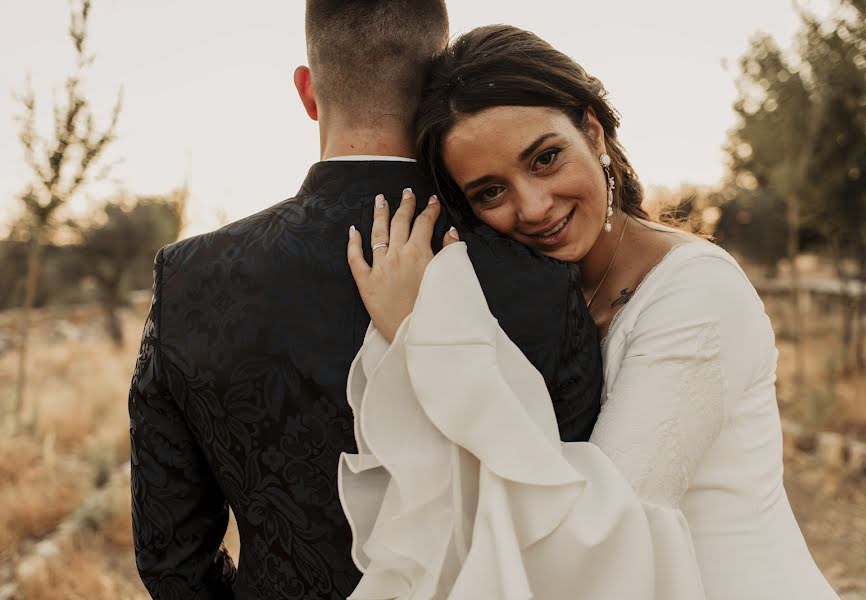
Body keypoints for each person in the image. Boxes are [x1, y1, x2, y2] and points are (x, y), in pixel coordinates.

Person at [341, 25, 840, 599]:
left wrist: (423, 335)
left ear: (593, 131)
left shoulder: (696, 293)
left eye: (546, 158)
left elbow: (605, 530)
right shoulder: (542, 296)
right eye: (490, 193)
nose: (533, 206)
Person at [127, 6, 604, 600]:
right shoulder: (540, 276)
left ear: (308, 90)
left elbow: (171, 559)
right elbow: (575, 522)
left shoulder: (189, 277)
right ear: (436, 86)